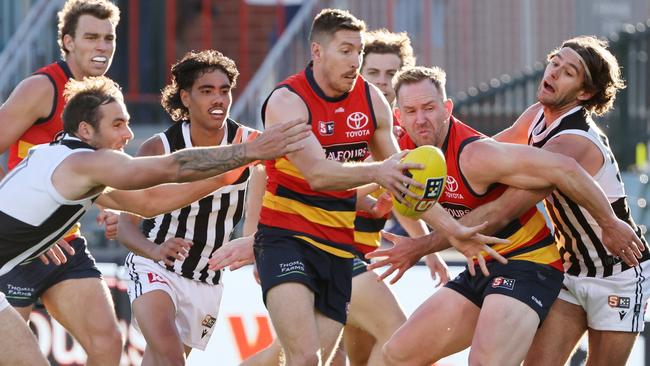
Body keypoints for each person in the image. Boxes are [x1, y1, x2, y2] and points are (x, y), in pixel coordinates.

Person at [247, 9, 507, 366]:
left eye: (359, 50)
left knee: (303, 358)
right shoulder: (288, 100)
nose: (355, 60)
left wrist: (455, 230)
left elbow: (405, 180)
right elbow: (318, 175)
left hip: (340, 247)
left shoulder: (372, 101)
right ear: (317, 52)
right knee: (306, 357)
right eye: (345, 51)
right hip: (286, 239)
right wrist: (382, 173)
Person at [0, 75, 309, 365]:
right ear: (85, 130)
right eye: (118, 124)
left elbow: (150, 203)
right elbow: (172, 167)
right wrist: (246, 151)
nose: (129, 134)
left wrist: (225, 175)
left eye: (128, 123)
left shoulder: (60, 156)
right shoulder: (90, 162)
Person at [363, 66, 645, 366]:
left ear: (447, 108)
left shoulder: (477, 155)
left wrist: (609, 222)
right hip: (483, 265)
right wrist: (364, 205)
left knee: (485, 362)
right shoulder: (399, 152)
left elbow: (566, 168)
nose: (420, 119)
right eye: (411, 110)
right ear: (398, 116)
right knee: (396, 354)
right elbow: (347, 181)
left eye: (429, 108)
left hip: (527, 264)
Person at [492, 36, 650, 366]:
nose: (553, 72)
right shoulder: (537, 116)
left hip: (618, 273)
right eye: (554, 62)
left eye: (568, 72)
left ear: (584, 93)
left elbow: (511, 200)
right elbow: (488, 153)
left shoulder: (575, 142)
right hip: (570, 269)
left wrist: (433, 236)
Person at [116, 50, 263, 365]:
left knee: (159, 360)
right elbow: (126, 225)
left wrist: (258, 244)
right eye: (207, 91)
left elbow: (287, 192)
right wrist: (154, 252)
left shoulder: (249, 143)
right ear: (185, 96)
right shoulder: (158, 147)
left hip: (205, 279)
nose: (219, 99)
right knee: (170, 357)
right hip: (154, 267)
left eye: (224, 90)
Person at [0, 1, 126, 363]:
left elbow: (92, 172)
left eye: (108, 38)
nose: (102, 47)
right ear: (68, 42)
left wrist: (111, 207)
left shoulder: (104, 98)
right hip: (15, 247)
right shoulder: (42, 87)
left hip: (65, 244)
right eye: (91, 37)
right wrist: (22, 224)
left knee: (107, 344)